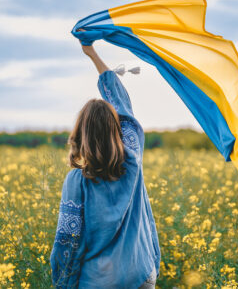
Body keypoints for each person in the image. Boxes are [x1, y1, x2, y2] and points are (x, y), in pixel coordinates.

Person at [49, 41, 160, 288]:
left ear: (81, 133)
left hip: (99, 281)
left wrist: (63, 283)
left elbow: (68, 240)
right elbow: (123, 107)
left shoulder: (76, 182)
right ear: (116, 129)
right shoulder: (133, 160)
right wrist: (93, 54)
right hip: (141, 275)